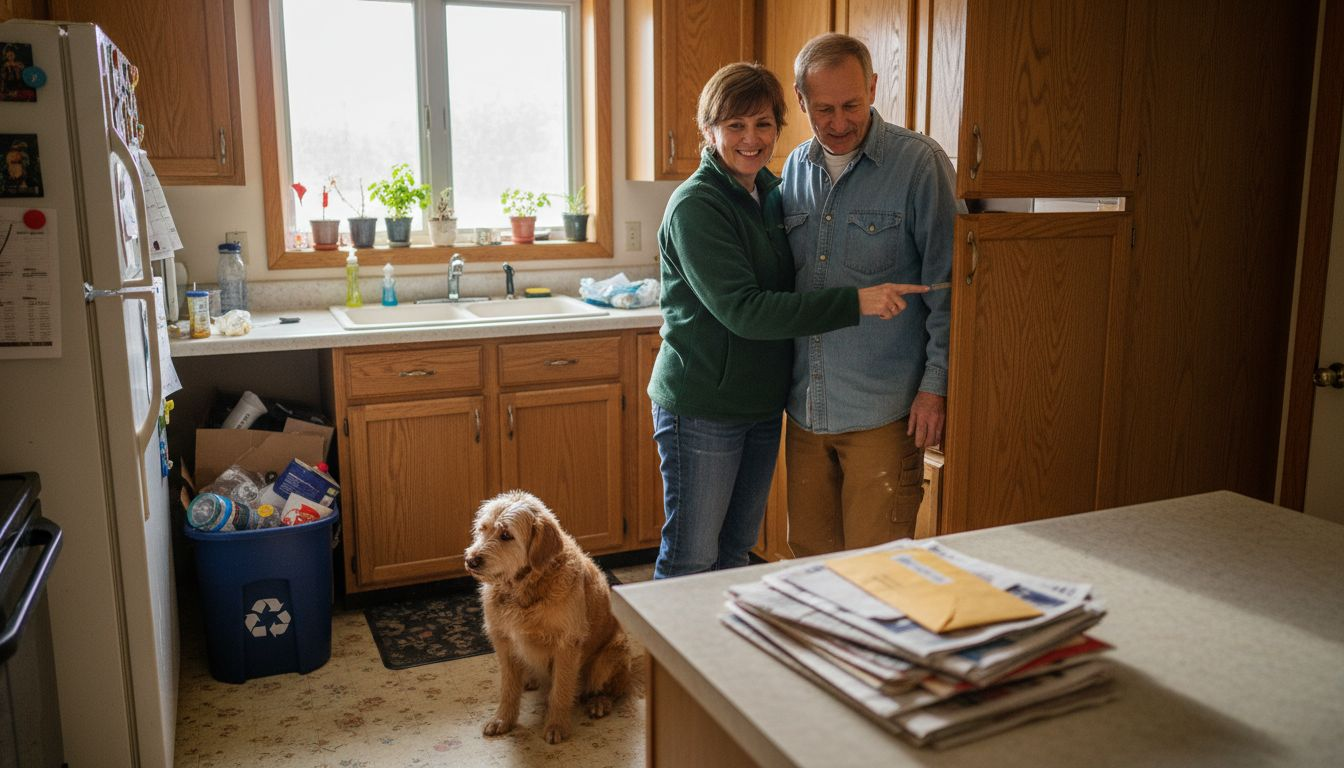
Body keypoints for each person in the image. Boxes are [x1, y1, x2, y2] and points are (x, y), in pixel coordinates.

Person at [648, 61, 929, 579]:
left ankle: (720, 663)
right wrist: (857, 301)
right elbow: (745, 311)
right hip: (704, 407)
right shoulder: (697, 205)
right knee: (690, 557)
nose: (751, 139)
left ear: (780, 125)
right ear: (708, 131)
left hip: (762, 407)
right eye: (735, 126)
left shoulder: (769, 194)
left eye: (762, 124)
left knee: (734, 556)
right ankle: (668, 664)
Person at [781, 33, 959, 556]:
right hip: (805, 411)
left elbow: (947, 288)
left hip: (885, 412)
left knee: (878, 573)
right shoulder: (793, 168)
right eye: (824, 109)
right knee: (809, 568)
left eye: (852, 105)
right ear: (800, 100)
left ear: (874, 87)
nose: (839, 123)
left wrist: (937, 386)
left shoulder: (919, 164)